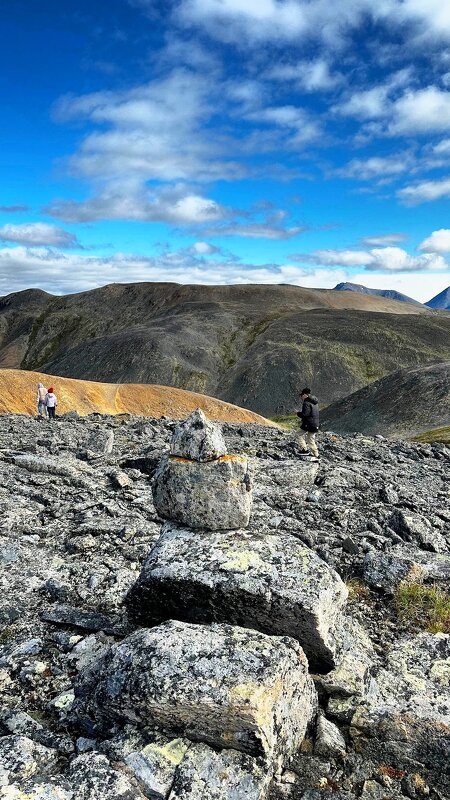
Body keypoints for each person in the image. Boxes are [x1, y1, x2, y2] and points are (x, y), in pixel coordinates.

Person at [296, 387, 320, 458]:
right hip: (315, 424)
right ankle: (316, 455)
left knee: (298, 434)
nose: (301, 397)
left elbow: (305, 414)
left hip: (309, 423)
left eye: (301, 395)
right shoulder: (314, 402)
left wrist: (298, 413)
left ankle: (304, 450)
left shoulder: (306, 403)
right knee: (310, 439)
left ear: (305, 395)